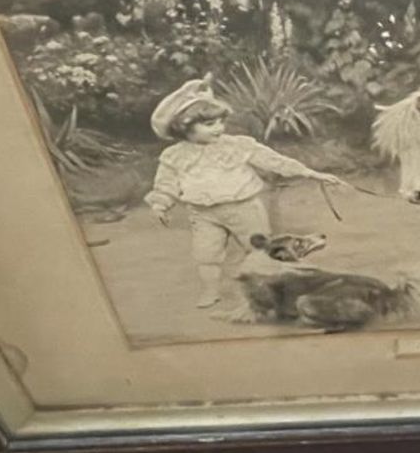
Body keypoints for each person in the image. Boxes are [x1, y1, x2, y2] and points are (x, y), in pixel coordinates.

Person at [143, 77, 345, 309]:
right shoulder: (174, 155)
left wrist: (310, 173)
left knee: (260, 250)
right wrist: (160, 204)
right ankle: (211, 291)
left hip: (244, 207)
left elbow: (273, 161)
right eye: (209, 125)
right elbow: (166, 183)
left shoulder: (237, 146)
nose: (219, 128)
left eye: (220, 122)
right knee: (206, 255)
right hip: (203, 214)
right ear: (183, 127)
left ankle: (272, 288)